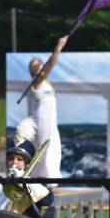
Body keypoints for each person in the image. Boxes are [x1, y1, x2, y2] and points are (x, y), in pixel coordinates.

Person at [0, 118, 50, 218]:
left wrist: (23, 181)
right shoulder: (0, 184)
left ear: (27, 164)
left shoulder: (35, 184)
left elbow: (47, 200)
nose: (14, 162)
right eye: (11, 158)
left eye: (19, 159)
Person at [27, 35, 68, 181]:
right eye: (36, 67)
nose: (40, 68)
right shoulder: (37, 81)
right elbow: (51, 64)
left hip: (51, 117)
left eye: (40, 65)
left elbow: (48, 66)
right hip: (43, 117)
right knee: (46, 147)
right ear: (32, 71)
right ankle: (46, 178)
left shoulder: (44, 82)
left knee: (54, 147)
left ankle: (51, 178)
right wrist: (59, 46)